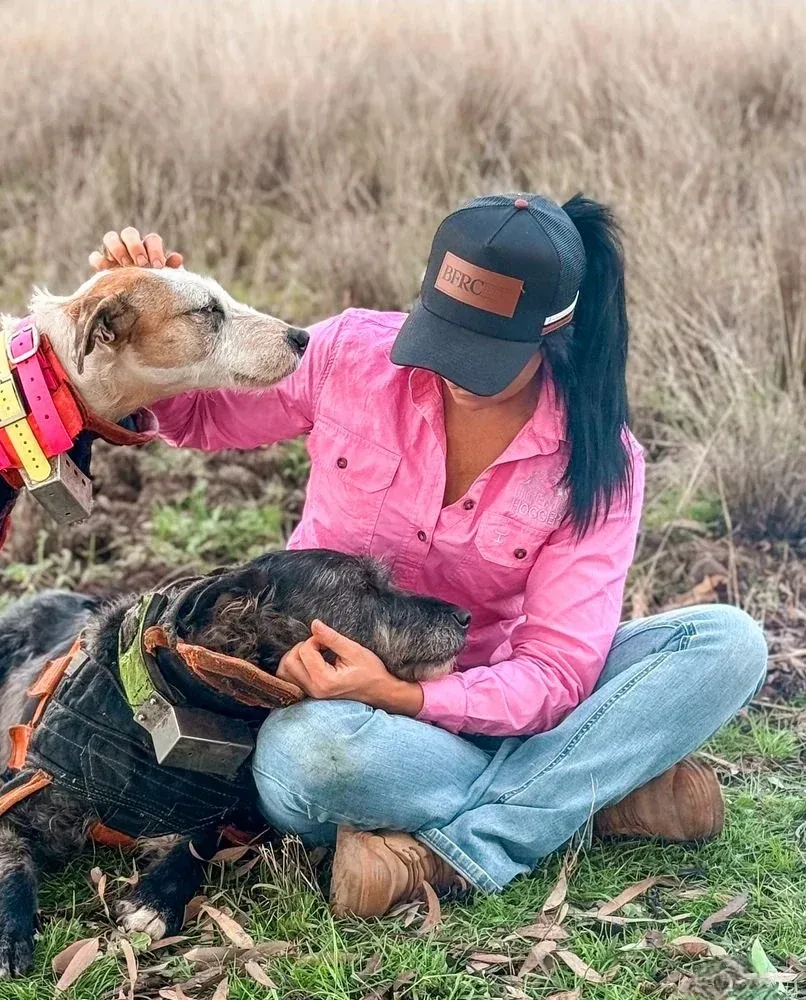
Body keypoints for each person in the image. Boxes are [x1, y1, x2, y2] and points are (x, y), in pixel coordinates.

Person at [88, 195, 769, 919]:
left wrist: (408, 696)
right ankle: (594, 793)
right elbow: (196, 417)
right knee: (303, 757)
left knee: (726, 643)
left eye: (483, 358)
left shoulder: (600, 460)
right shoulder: (353, 353)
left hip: (484, 701)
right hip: (333, 710)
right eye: (442, 339)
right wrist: (148, 317)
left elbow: (557, 671)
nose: (451, 372)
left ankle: (463, 848)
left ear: (553, 335)